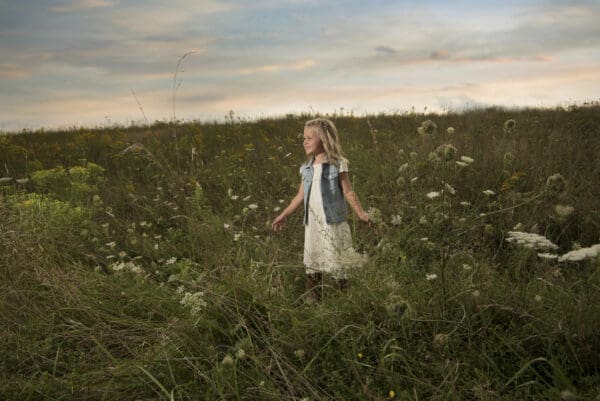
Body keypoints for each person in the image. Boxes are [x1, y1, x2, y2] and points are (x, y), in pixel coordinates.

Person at [271, 118, 370, 302]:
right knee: (314, 262)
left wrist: (361, 213)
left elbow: (348, 191)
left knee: (337, 261)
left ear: (323, 139)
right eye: (304, 138)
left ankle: (344, 301)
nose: (304, 141)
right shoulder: (306, 169)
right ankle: (314, 302)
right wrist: (283, 215)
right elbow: (299, 196)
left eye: (310, 138)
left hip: (333, 223)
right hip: (313, 226)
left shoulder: (337, 164)